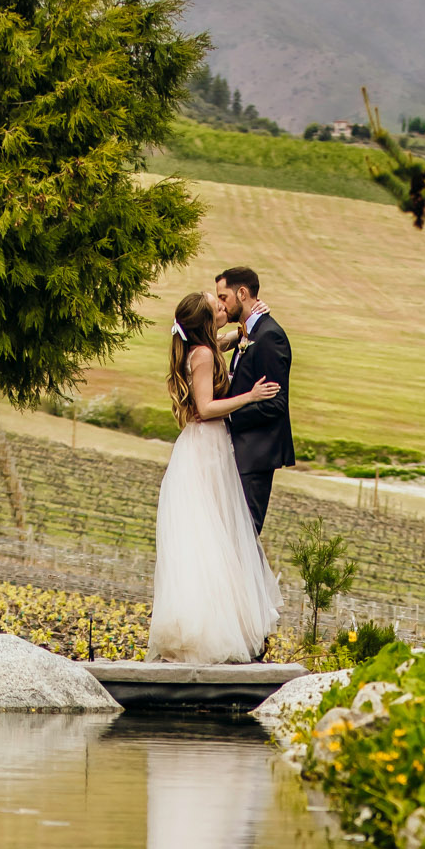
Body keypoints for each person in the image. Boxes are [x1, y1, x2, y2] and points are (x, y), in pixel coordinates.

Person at [147, 288, 284, 665]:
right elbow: (206, 407)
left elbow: (229, 339)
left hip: (202, 448)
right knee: (212, 534)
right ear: (207, 321)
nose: (223, 307)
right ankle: (210, 631)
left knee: (207, 535)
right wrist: (251, 396)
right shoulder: (204, 355)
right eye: (216, 306)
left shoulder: (202, 346)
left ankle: (204, 624)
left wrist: (250, 322)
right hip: (206, 447)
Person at [216, 264, 295, 535]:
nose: (221, 305)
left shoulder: (269, 336)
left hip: (255, 455)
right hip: (237, 451)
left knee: (244, 541)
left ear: (241, 294)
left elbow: (275, 403)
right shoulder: (247, 334)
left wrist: (227, 414)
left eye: (223, 298)